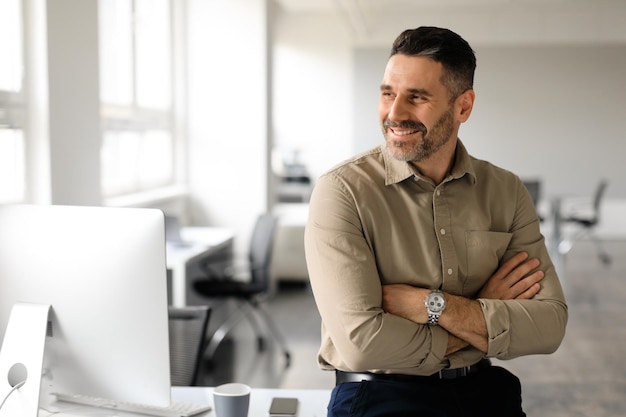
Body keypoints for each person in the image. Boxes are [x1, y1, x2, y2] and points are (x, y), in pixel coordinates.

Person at [304, 26, 568, 417]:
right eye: (388, 94)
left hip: (484, 392)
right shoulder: (343, 191)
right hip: (379, 398)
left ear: (463, 106)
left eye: (417, 97)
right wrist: (482, 314)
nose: (394, 113)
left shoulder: (505, 190)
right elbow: (363, 343)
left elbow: (548, 326)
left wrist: (432, 306)